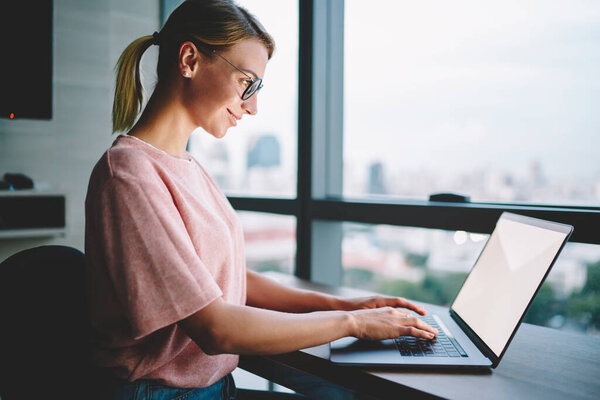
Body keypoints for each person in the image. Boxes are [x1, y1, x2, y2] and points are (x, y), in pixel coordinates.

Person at [85, 1, 438, 399]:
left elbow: (224, 281)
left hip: (211, 388)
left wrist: (347, 305)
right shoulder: (129, 173)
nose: (253, 107)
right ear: (189, 60)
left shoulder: (187, 167)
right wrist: (352, 323)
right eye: (246, 83)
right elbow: (216, 327)